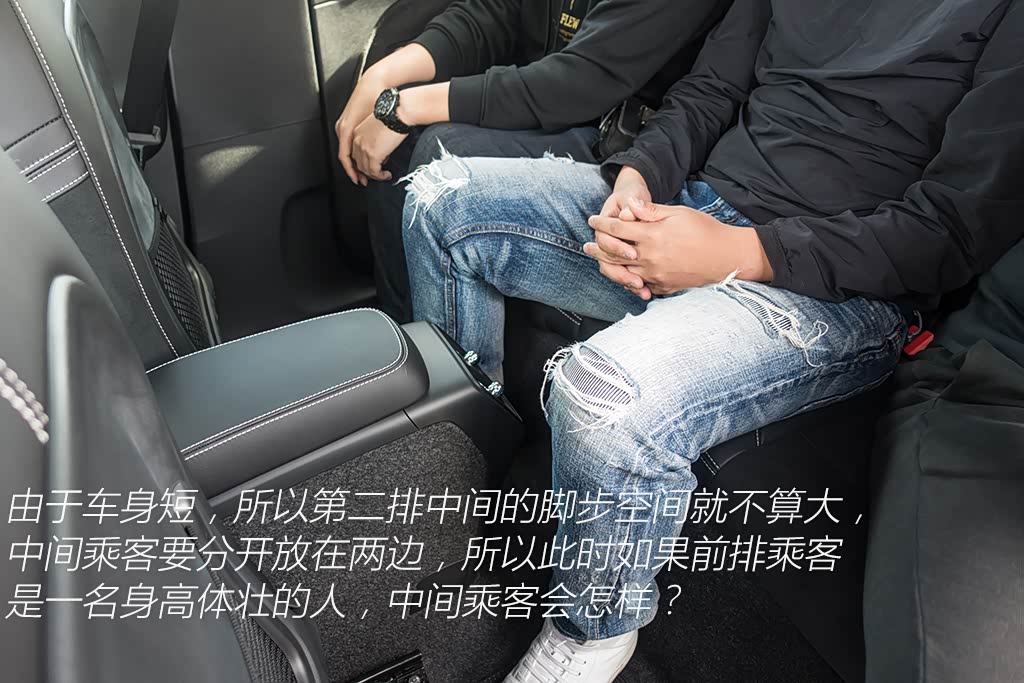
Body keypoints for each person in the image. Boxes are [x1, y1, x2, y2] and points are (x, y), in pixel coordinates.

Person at [400, 0, 1024, 679]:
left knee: (603, 396)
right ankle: (470, 492)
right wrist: (639, 180)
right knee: (441, 199)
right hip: (695, 208)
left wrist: (740, 252)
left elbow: (952, 230)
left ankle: (590, 633)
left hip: (836, 288)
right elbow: (710, 89)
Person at [334, 0, 729, 322]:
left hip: (625, 137)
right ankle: (401, 344)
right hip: (556, 102)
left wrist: (405, 107)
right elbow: (496, 13)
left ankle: (440, 381)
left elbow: (579, 82)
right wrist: (385, 74)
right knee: (403, 139)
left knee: (440, 150)